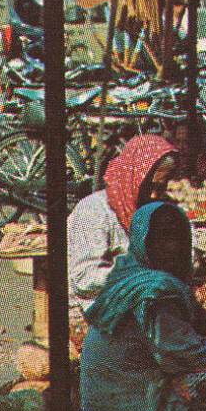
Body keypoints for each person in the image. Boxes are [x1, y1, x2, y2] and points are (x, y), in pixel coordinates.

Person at [80, 202, 206, 411]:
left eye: (178, 237)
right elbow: (185, 355)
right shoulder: (155, 291)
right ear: (143, 242)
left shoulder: (128, 275)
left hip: (108, 409)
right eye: (161, 238)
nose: (173, 247)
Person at [68, 134, 182, 317]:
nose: (154, 195)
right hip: (95, 306)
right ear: (131, 177)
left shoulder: (158, 207)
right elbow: (83, 279)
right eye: (148, 187)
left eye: (161, 187)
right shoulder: (95, 211)